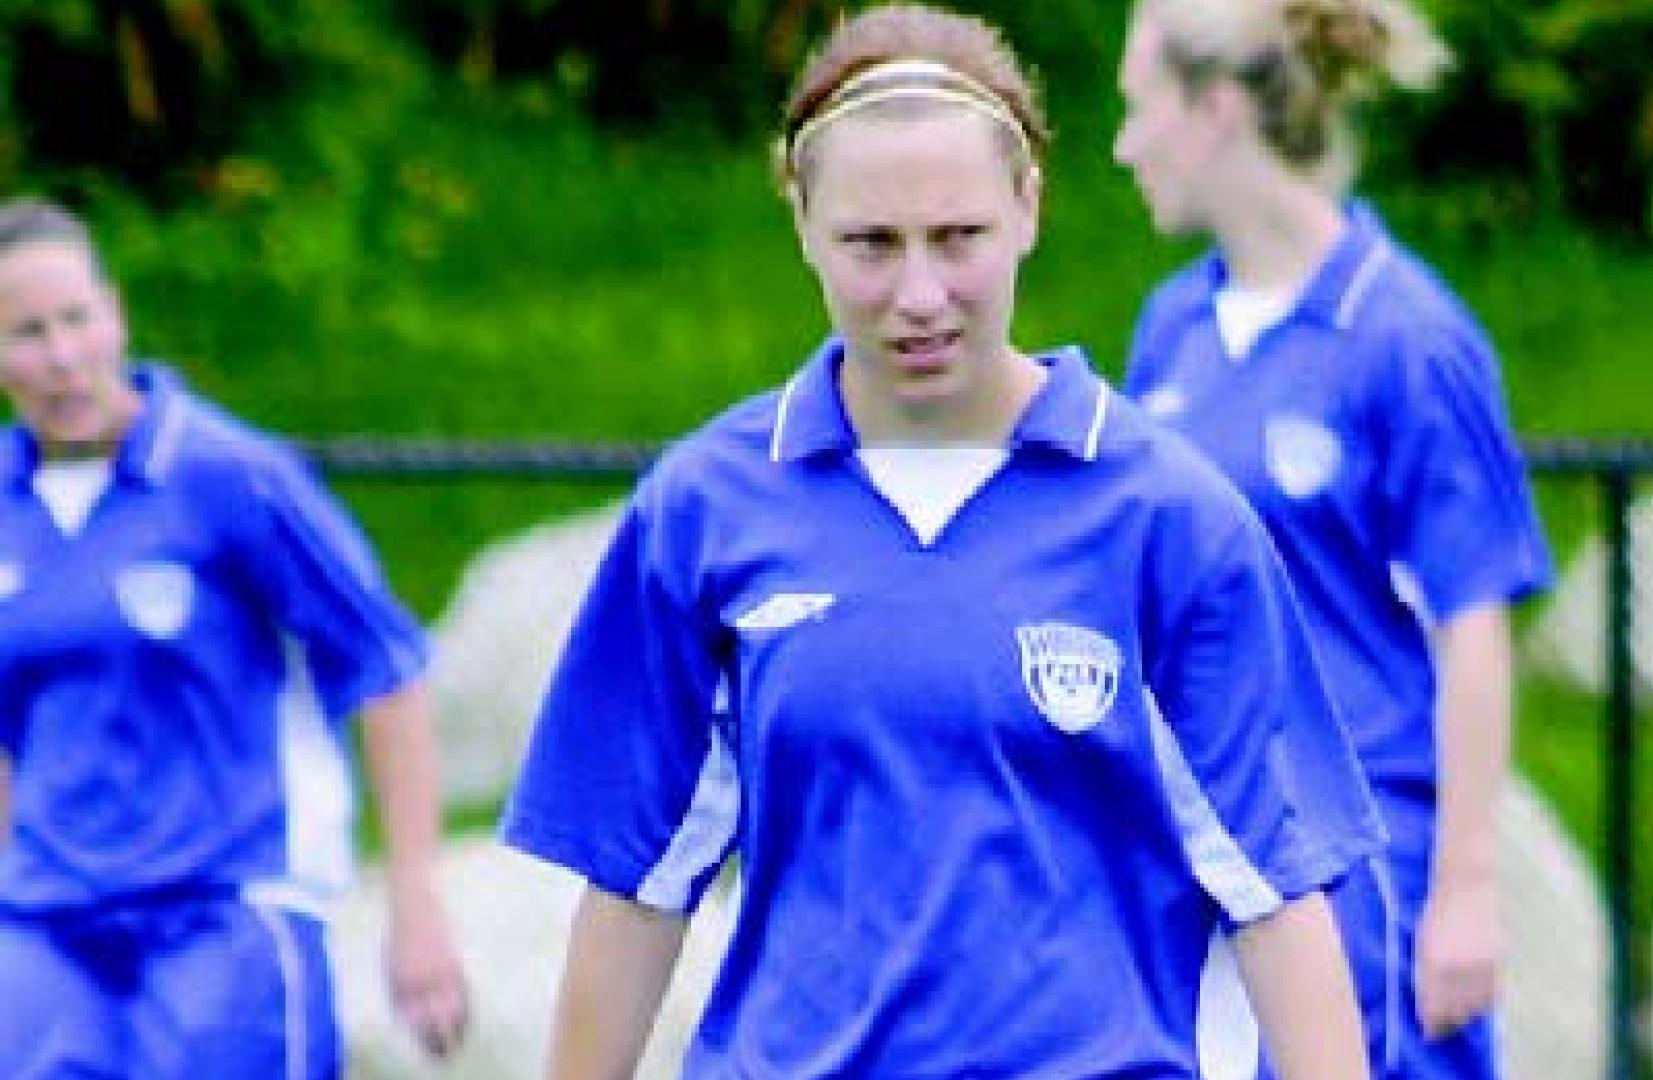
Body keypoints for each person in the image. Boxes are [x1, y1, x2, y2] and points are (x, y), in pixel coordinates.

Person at [501, 5, 1389, 1078]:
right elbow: (637, 882)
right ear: (802, 223)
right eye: (871, 244)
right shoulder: (703, 511)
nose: (919, 296)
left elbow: (1279, 894)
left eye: (957, 238)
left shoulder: (1168, 520)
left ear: (1027, 208)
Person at [1113, 1, 1556, 1076]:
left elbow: (1474, 631)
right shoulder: (1173, 328)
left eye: (1137, 108)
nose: (1122, 144)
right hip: (1204, 861)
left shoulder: (1407, 339)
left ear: (1215, 111)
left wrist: (1464, 892)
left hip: (1363, 870)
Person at [0, 198, 469, 1078]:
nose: (61, 357)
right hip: (50, 920)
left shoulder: (231, 478)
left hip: (229, 908)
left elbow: (388, 675)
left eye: (76, 319)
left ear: (115, 316)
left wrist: (417, 904)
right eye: (27, 333)